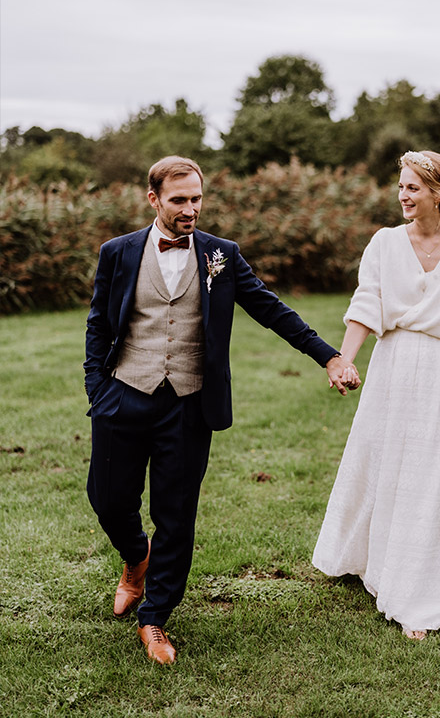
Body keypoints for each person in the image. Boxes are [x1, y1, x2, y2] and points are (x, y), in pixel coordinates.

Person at [85, 155, 355, 665]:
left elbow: (270, 308)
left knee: (177, 513)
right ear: (153, 199)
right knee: (108, 498)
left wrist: (330, 355)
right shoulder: (117, 253)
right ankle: (135, 559)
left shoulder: (221, 255)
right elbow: (99, 323)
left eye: (197, 199)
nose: (190, 209)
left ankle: (156, 618)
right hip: (123, 395)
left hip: (188, 405)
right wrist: (96, 390)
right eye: (179, 200)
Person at [312, 150, 440, 641]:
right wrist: (346, 358)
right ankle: (367, 558)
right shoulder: (383, 243)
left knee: (431, 474)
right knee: (383, 464)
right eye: (400, 187)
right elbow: (366, 304)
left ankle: (418, 592)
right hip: (391, 366)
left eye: (412, 188)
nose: (402, 195)